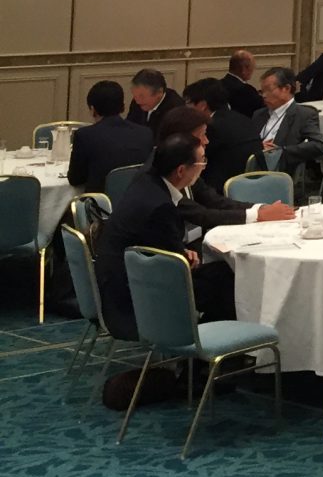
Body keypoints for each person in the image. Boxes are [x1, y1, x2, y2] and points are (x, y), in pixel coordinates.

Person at [96, 133, 236, 338]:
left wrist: (181, 253)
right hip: (133, 297)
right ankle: (205, 345)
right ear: (181, 170)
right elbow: (176, 266)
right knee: (227, 279)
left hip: (118, 281)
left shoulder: (146, 183)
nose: (204, 167)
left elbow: (158, 243)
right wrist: (182, 257)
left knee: (218, 273)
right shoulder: (160, 206)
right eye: (201, 161)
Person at [154, 105, 297, 231]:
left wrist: (262, 208)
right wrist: (259, 214)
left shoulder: (184, 164)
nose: (206, 141)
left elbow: (214, 200)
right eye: (202, 135)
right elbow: (202, 215)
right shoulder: (161, 172)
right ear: (180, 139)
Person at [68, 79, 154, 192]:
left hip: (101, 201)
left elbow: (75, 179)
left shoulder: (85, 135)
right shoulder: (145, 133)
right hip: (138, 199)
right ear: (123, 106)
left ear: (93, 110)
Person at [179, 78, 262, 193]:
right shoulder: (244, 119)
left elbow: (194, 159)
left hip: (220, 187)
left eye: (188, 103)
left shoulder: (211, 127)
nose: (186, 109)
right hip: (254, 184)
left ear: (202, 105)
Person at [254, 66, 323, 183]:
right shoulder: (259, 114)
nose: (264, 95)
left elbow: (319, 146)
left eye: (268, 90)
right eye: (262, 91)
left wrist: (281, 151)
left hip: (279, 172)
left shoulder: (303, 114)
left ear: (286, 88)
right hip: (253, 165)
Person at [217, 48, 264, 118]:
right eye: (252, 67)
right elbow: (262, 109)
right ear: (244, 69)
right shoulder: (246, 90)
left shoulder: (217, 85)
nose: (253, 70)